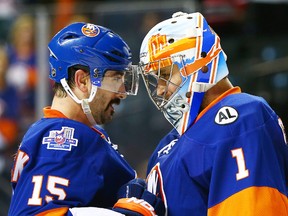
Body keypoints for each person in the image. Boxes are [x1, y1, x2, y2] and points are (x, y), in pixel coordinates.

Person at [138, 11, 288, 215]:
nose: (160, 89)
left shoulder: (242, 116)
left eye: (165, 74)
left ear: (203, 65)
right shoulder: (167, 143)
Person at [8, 22, 161, 216]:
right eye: (115, 78)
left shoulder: (64, 133)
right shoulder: (60, 138)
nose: (122, 92)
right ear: (82, 80)